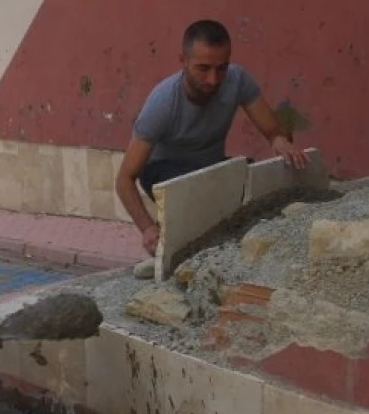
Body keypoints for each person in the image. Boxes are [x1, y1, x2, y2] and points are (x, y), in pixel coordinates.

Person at [115, 19, 309, 257]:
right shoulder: (163, 103)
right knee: (196, 195)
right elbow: (124, 179)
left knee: (251, 178)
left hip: (210, 167)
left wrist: (279, 139)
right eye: (203, 68)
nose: (213, 80)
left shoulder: (237, 80)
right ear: (183, 61)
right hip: (163, 171)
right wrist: (146, 228)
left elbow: (273, 131)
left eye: (221, 68)